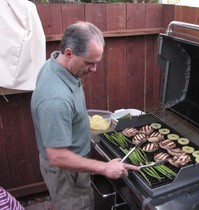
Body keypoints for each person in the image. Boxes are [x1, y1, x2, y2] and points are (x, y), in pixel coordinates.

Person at [31, 21, 139, 210]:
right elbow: (57, 157)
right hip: (65, 171)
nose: (94, 69)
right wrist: (104, 168)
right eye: (89, 63)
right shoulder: (56, 99)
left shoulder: (55, 64)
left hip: (68, 167)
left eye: (96, 63)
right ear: (69, 53)